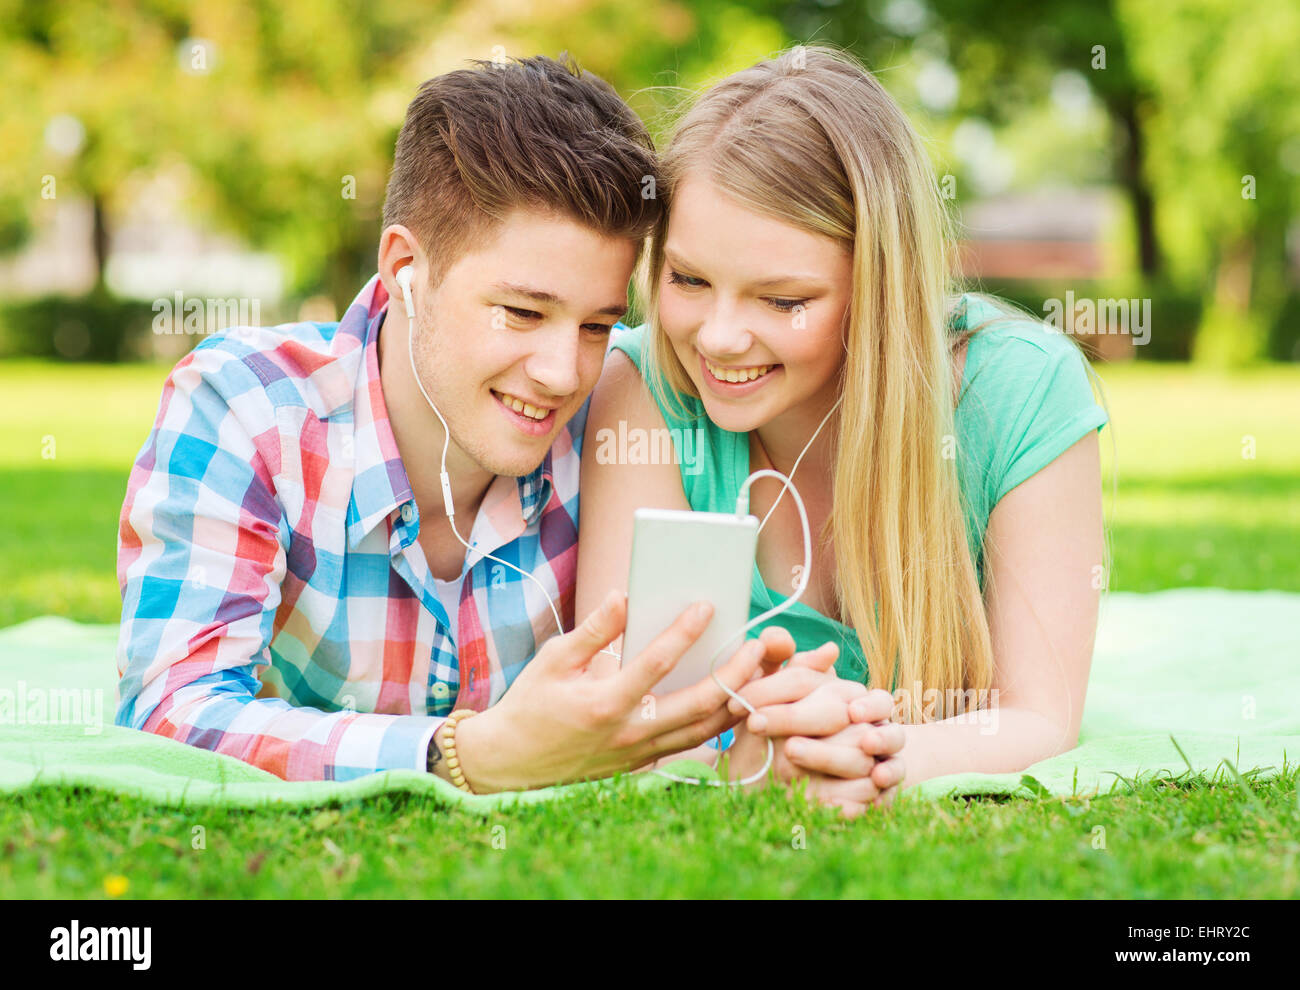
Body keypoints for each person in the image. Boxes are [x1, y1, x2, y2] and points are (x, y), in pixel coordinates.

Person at [115, 55, 789, 786]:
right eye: (523, 313)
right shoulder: (244, 407)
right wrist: (466, 753)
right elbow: (171, 714)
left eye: (597, 325)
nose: (563, 373)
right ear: (406, 266)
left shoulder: (625, 415)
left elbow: (678, 717)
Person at [577, 45, 1109, 817]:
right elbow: (633, 703)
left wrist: (877, 755)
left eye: (782, 299)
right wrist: (760, 756)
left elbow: (1040, 714)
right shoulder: (643, 389)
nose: (720, 338)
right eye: (689, 280)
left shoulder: (1022, 389)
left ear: (878, 286)